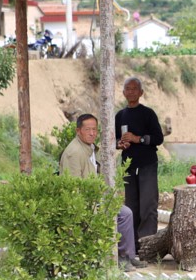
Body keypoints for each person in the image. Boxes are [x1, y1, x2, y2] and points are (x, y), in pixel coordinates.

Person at [60, 113, 147, 271]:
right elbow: (72, 186)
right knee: (123, 214)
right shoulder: (74, 153)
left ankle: (127, 256)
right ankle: (120, 258)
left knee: (126, 213)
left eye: (94, 129)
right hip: (85, 203)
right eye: (88, 129)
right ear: (78, 131)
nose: (92, 133)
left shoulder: (89, 147)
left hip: (96, 198)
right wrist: (91, 206)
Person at [115, 77, 164, 240]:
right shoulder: (120, 115)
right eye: (127, 89)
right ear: (123, 93)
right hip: (128, 166)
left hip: (147, 165)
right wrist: (120, 144)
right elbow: (113, 140)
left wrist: (139, 139)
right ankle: (133, 245)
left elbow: (158, 138)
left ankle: (147, 244)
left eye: (134, 89)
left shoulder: (148, 114)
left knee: (148, 205)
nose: (131, 92)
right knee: (131, 207)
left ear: (141, 92)